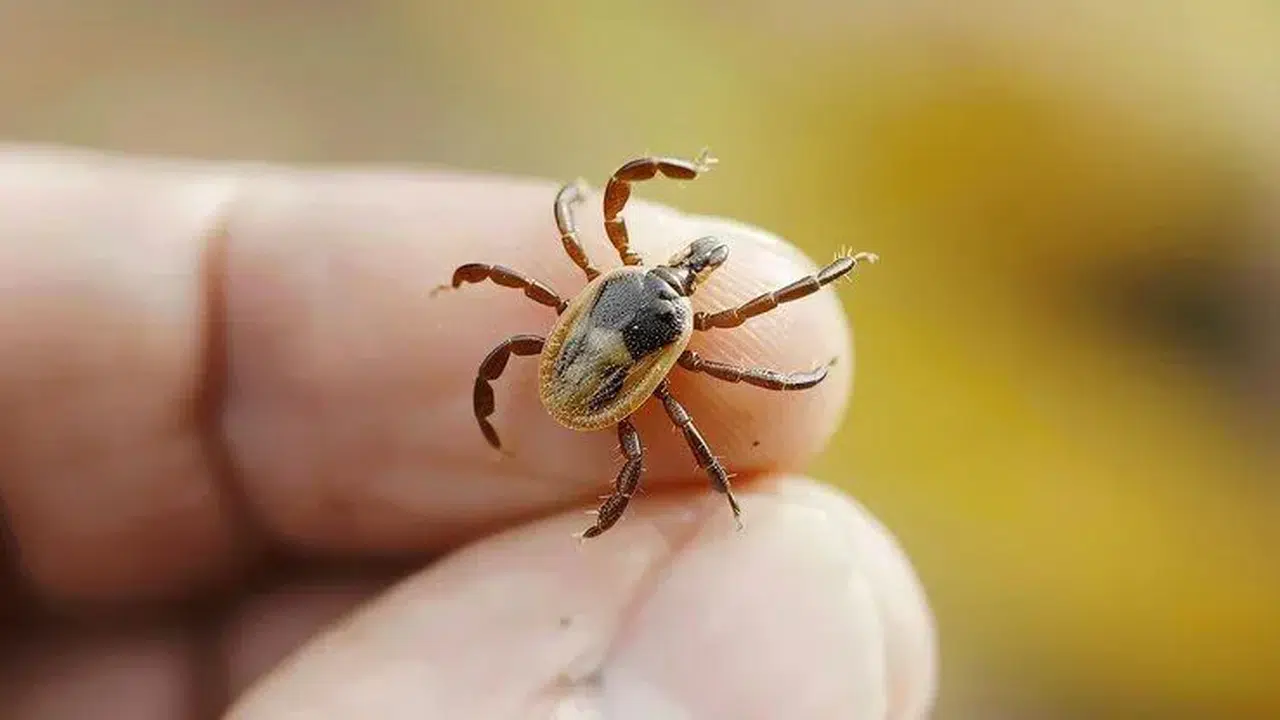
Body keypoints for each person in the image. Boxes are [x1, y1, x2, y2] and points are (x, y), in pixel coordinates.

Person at [0, 145, 936, 719]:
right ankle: (619, 518)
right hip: (602, 386)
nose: (686, 273)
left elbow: (592, 208)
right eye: (682, 269)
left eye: (687, 273)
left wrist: (582, 205)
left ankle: (598, 509)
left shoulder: (615, 279)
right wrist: (795, 362)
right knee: (663, 433)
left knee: (568, 379)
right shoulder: (679, 331)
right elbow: (743, 353)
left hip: (575, 376)